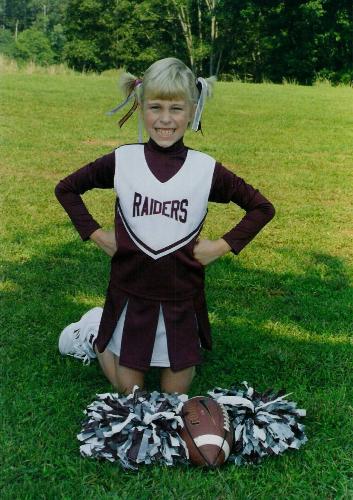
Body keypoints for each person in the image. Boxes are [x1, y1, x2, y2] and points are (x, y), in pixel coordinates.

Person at [55, 57, 275, 395]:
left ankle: (109, 334)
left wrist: (219, 246)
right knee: (132, 396)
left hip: (181, 301)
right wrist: (98, 236)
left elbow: (261, 207)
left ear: (193, 109)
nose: (166, 119)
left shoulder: (205, 169)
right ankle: (96, 333)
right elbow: (66, 188)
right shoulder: (123, 160)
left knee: (175, 400)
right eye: (155, 107)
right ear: (141, 107)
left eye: (176, 108)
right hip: (131, 294)